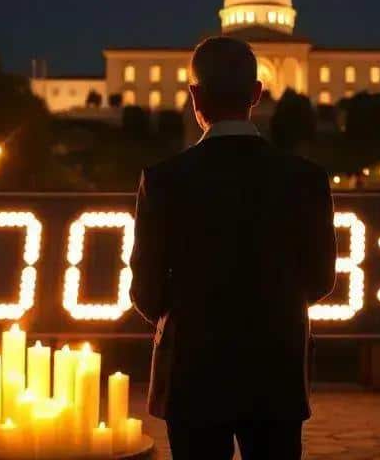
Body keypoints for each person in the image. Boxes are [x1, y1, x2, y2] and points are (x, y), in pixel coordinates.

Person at [129, 37, 337, 460]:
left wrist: (188, 316)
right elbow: (320, 279)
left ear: (194, 95)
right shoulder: (306, 178)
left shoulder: (164, 179)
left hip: (191, 371)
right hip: (276, 367)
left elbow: (145, 289)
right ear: (257, 94)